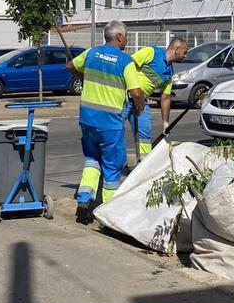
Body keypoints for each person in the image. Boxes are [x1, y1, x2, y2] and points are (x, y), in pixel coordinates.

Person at [66, 20, 145, 210]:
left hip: (87, 119)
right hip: (110, 123)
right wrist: (140, 106)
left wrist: (85, 77)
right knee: (112, 166)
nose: (125, 41)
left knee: (92, 159)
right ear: (119, 37)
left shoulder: (91, 52)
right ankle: (108, 210)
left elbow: (70, 66)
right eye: (125, 37)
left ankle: (84, 198)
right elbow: (136, 92)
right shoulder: (125, 61)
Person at [123, 37, 189, 160]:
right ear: (176, 49)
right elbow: (129, 64)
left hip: (141, 102)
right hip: (124, 97)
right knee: (115, 131)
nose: (186, 55)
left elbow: (165, 97)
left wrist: (165, 122)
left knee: (144, 132)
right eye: (184, 52)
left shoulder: (169, 73)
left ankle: (143, 163)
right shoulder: (151, 52)